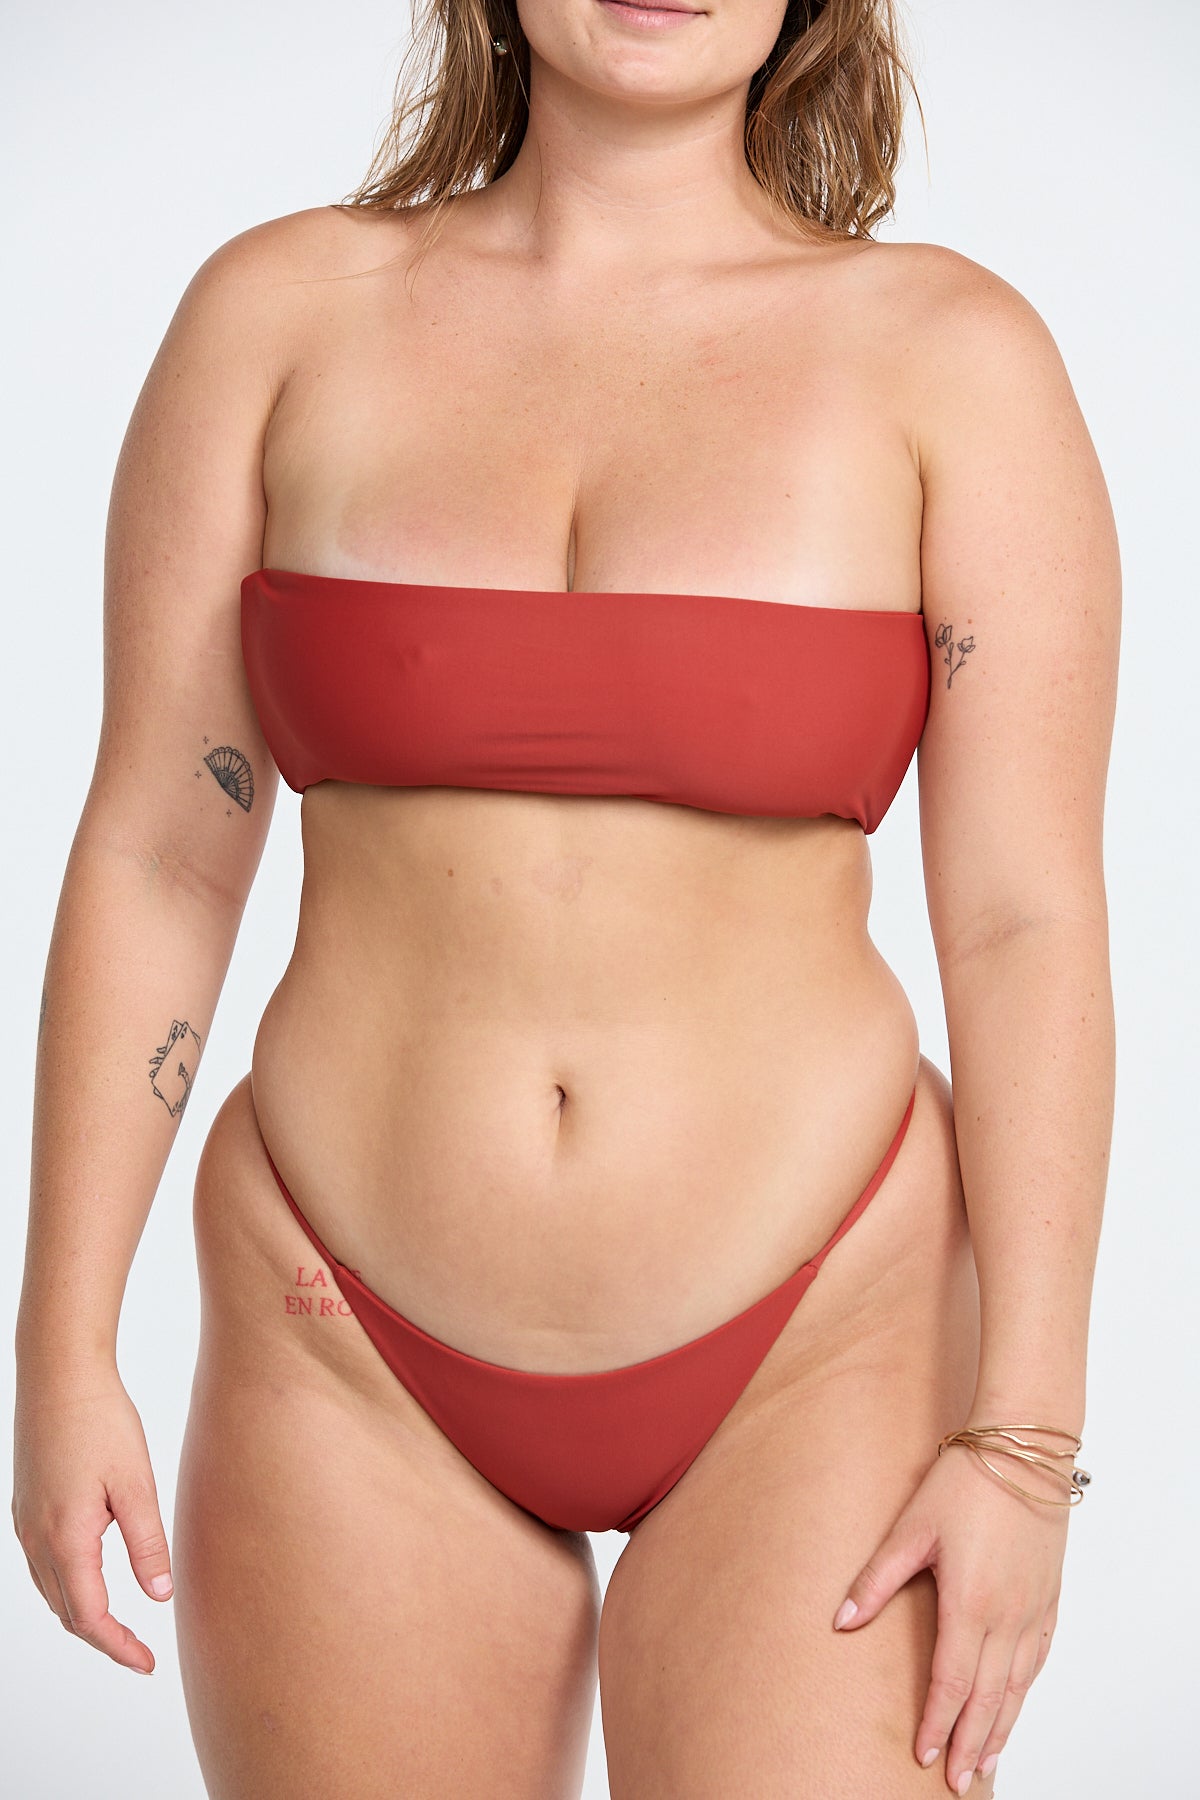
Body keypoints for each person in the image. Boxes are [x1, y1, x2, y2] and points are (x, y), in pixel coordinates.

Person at [13, 1, 1119, 1794]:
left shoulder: (951, 360)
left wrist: (1023, 1444)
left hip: (826, 1332)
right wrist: (61, 1348)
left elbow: (1027, 920)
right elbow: (159, 846)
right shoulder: (276, 319)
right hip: (342, 1334)